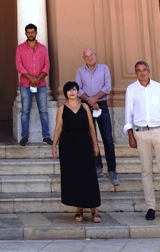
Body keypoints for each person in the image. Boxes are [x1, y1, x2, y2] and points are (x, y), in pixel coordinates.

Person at [123, 60, 160, 221]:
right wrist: (131, 136)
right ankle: (151, 207)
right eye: (138, 70)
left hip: (159, 131)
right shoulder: (131, 89)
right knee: (146, 170)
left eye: (144, 69)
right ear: (136, 73)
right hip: (141, 133)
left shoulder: (158, 87)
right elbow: (129, 114)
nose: (142, 73)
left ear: (149, 71)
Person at [51, 81, 101, 223]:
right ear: (66, 93)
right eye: (69, 90)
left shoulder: (85, 107)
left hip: (84, 143)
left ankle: (94, 209)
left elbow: (91, 127)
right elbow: (58, 128)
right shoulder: (62, 109)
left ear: (78, 91)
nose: (72, 92)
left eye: (74, 89)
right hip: (68, 145)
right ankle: (79, 209)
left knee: (88, 176)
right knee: (74, 177)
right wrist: (54, 146)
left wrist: (95, 145)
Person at [76, 48, 119, 185]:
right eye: (87, 56)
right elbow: (78, 89)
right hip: (86, 106)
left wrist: (94, 99)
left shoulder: (104, 68)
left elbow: (107, 87)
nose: (90, 58)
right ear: (83, 58)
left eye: (92, 55)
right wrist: (89, 100)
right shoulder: (80, 71)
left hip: (102, 105)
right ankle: (97, 166)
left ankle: (112, 170)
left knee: (108, 139)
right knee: (90, 138)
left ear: (95, 55)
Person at [15, 23, 52, 146]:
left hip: (40, 84)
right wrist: (31, 78)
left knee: (43, 111)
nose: (31, 34)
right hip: (26, 84)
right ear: (25, 34)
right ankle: (24, 136)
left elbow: (47, 65)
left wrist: (38, 78)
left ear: (36, 33)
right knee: (25, 111)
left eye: (32, 32)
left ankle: (46, 136)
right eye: (28, 32)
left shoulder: (43, 48)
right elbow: (19, 66)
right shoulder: (20, 48)